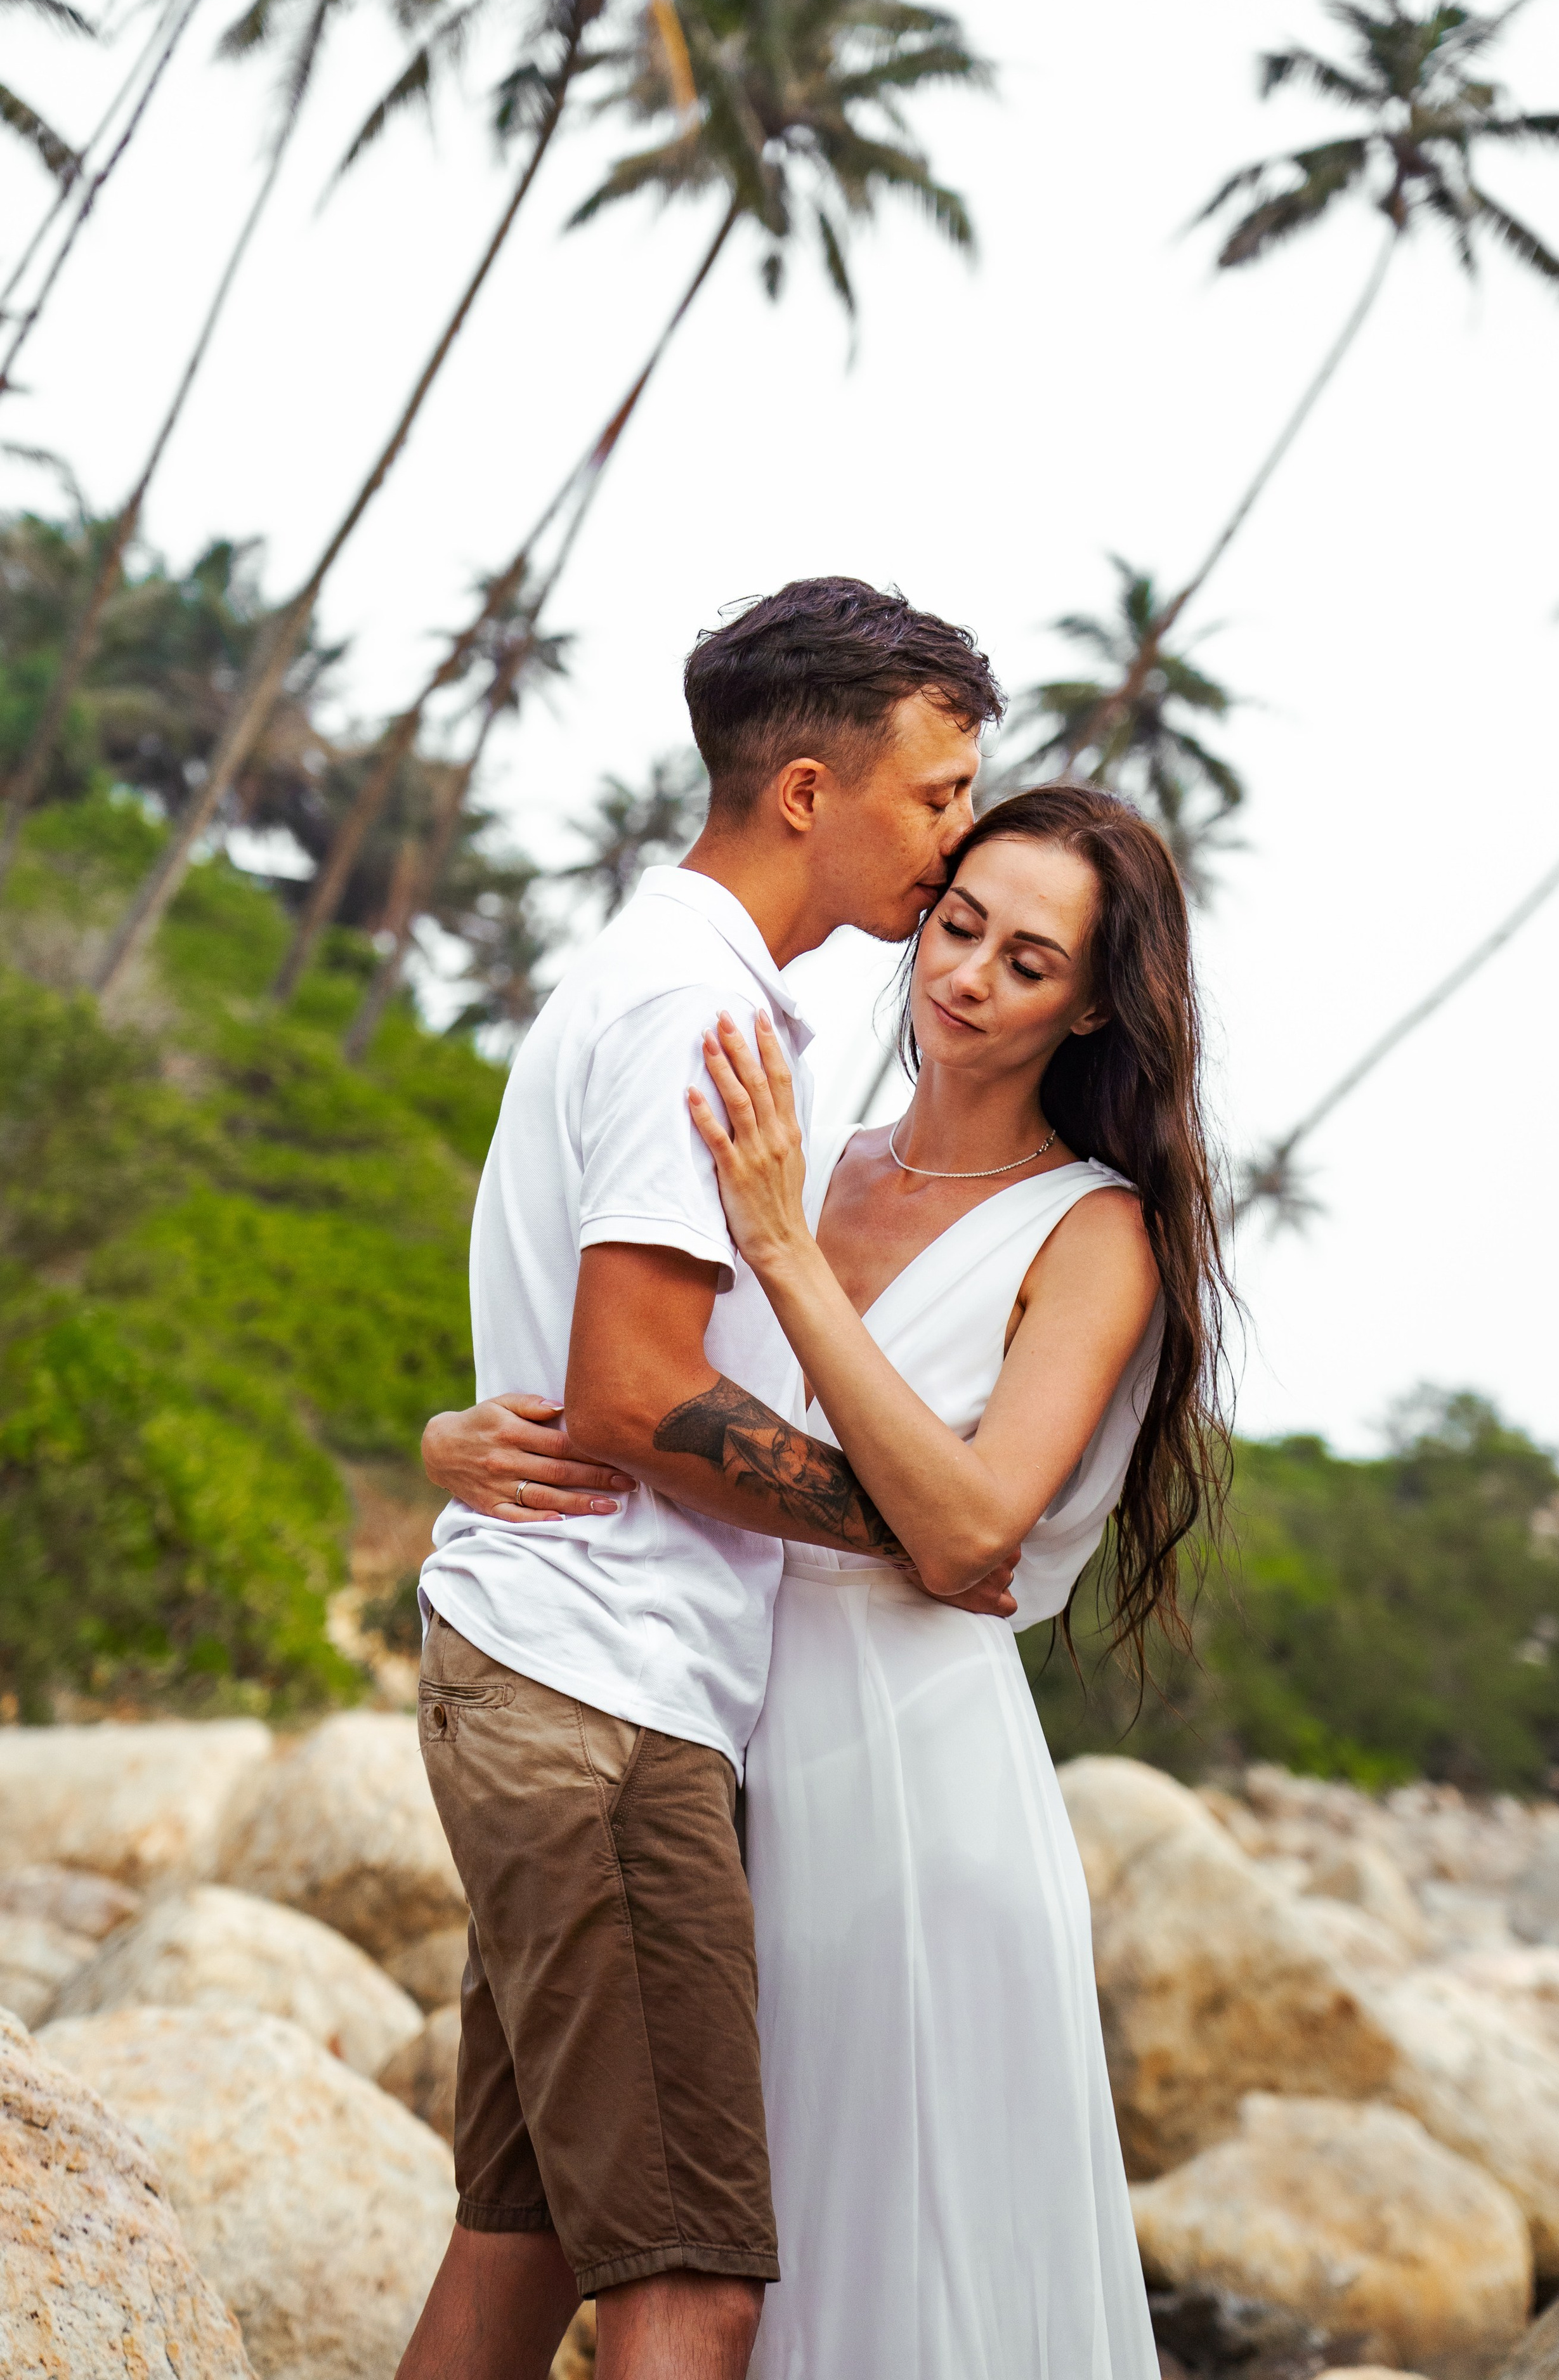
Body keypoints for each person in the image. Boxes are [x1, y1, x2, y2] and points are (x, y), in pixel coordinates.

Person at [426, 783, 1233, 2378]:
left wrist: (784, 1253)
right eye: (958, 924)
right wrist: (461, 1439)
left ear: (1088, 1006)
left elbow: (973, 1527)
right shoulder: (808, 1149)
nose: (966, 976)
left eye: (1027, 960)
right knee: (676, 2230)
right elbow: (656, 1395)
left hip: (911, 1787)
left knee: (880, 2249)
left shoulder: (1093, 1234)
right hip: (706, 1730)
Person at [396, 576, 1016, 2380]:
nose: (954, 839)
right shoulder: (695, 1007)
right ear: (811, 794)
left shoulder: (662, 976)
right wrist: (907, 1518)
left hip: (553, 1672)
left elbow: (580, 1366)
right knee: (693, 2284)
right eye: (938, 792)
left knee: (516, 2256)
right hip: (601, 1697)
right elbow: (634, 1389)